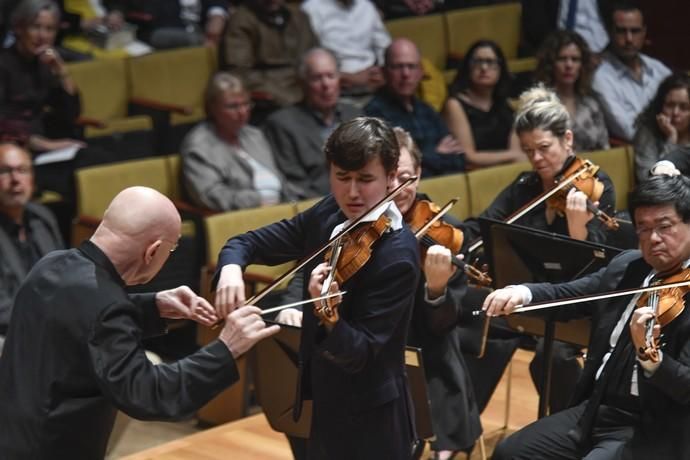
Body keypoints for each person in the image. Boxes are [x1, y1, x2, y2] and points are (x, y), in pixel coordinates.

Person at [0, 186, 279, 458]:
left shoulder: (52, 264)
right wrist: (226, 349)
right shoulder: (106, 305)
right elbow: (149, 394)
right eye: (169, 252)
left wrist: (154, 306)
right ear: (152, 251)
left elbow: (83, 318)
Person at [214, 117, 420, 459]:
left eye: (365, 180)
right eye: (342, 177)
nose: (352, 193)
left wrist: (327, 313)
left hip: (371, 422)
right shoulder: (329, 213)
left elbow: (361, 354)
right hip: (324, 403)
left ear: (390, 176)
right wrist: (232, 269)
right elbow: (248, 242)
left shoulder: (398, 255)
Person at [484, 173, 690, 459]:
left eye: (664, 227)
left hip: (652, 427)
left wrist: (650, 357)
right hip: (595, 409)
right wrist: (522, 293)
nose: (653, 238)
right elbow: (570, 294)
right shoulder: (628, 267)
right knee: (511, 452)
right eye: (643, 228)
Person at [462, 85, 616, 415]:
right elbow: (486, 225)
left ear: (568, 140)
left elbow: (600, 264)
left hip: (574, 302)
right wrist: (456, 243)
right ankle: (461, 432)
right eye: (528, 150)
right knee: (476, 316)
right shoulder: (525, 186)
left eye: (544, 148)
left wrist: (579, 226)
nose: (537, 159)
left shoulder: (597, 186)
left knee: (553, 355)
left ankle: (574, 430)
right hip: (528, 295)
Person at [181, 72, 297, 211]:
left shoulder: (254, 135)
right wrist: (258, 201)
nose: (242, 111)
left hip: (282, 210)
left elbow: (280, 179)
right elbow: (211, 195)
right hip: (244, 219)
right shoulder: (199, 147)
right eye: (233, 106)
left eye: (246, 104)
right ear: (211, 108)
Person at [263, 48, 362, 200]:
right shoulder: (282, 124)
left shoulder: (355, 115)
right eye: (317, 78)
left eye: (331, 76)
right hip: (318, 208)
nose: (326, 85)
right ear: (303, 83)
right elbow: (295, 186)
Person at [365, 38, 464, 177]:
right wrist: (436, 154)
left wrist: (424, 158)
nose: (406, 74)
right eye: (398, 67)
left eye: (411, 67)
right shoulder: (373, 115)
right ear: (384, 72)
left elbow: (457, 158)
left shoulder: (427, 110)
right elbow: (394, 169)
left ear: (420, 72)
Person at [0, 142, 63, 354]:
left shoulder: (43, 218)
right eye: (5, 171)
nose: (15, 179)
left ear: (32, 179)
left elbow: (66, 277)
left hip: (50, 326)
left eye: (22, 170)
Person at [592, 1, 671, 142]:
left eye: (635, 31)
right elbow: (629, 131)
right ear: (609, 32)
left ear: (644, 32)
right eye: (621, 31)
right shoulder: (600, 77)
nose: (629, 39)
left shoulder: (657, 68)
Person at [443, 40, 525, 169]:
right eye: (478, 61)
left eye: (490, 62)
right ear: (468, 67)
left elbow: (515, 152)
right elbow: (468, 156)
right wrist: (511, 156)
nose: (484, 68)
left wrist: (513, 156)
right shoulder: (454, 104)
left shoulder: (504, 105)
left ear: (500, 68)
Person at [219, 0, 318, 108]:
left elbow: (316, 57)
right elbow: (239, 72)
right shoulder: (241, 20)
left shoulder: (300, 17)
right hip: (269, 101)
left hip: (310, 92)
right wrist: (287, 95)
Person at [535, 30, 610, 153]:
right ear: (550, 64)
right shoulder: (539, 107)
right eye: (562, 59)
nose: (569, 65)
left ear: (582, 65)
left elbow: (605, 149)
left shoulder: (591, 105)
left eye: (575, 59)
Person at [301, 0, 388, 97]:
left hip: (373, 82)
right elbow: (308, 58)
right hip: (333, 85)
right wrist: (345, 77)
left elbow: (384, 47)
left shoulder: (366, 6)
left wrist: (382, 71)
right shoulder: (311, 8)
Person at [633, 73, 690, 182]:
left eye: (684, 107)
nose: (675, 113)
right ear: (660, 106)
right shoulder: (648, 133)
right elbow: (648, 181)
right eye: (670, 105)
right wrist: (671, 140)